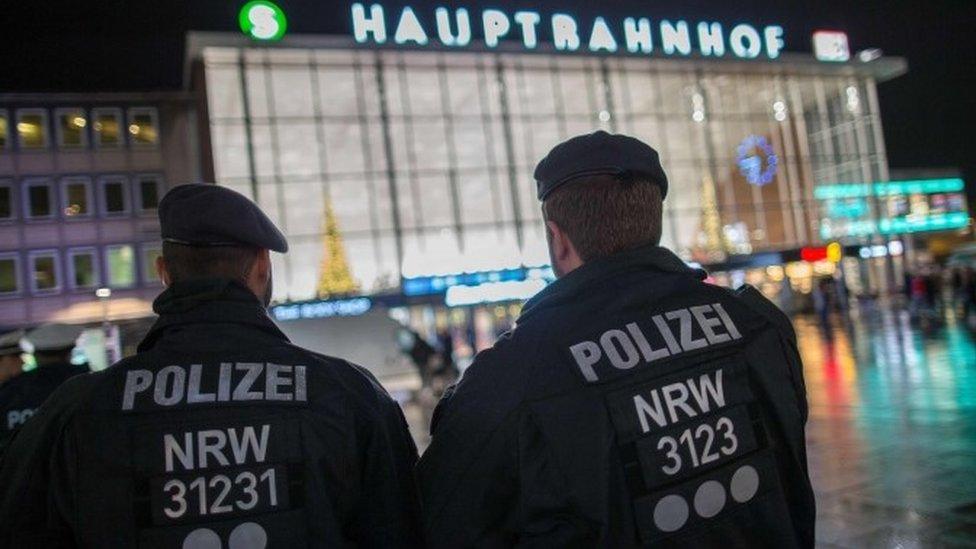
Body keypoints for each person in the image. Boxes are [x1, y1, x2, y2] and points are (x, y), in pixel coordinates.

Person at [418, 131, 815, 547]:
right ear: (653, 224)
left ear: (558, 239)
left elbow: (437, 522)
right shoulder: (758, 325)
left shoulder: (510, 379)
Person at [0, 184, 422, 547]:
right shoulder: (348, 396)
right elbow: (403, 530)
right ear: (261, 267)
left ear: (164, 272)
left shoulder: (76, 415)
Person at [0, 323, 88, 443]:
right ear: (70, 350)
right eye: (15, 356)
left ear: (36, 353)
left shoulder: (13, 392)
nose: (22, 362)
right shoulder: (87, 385)